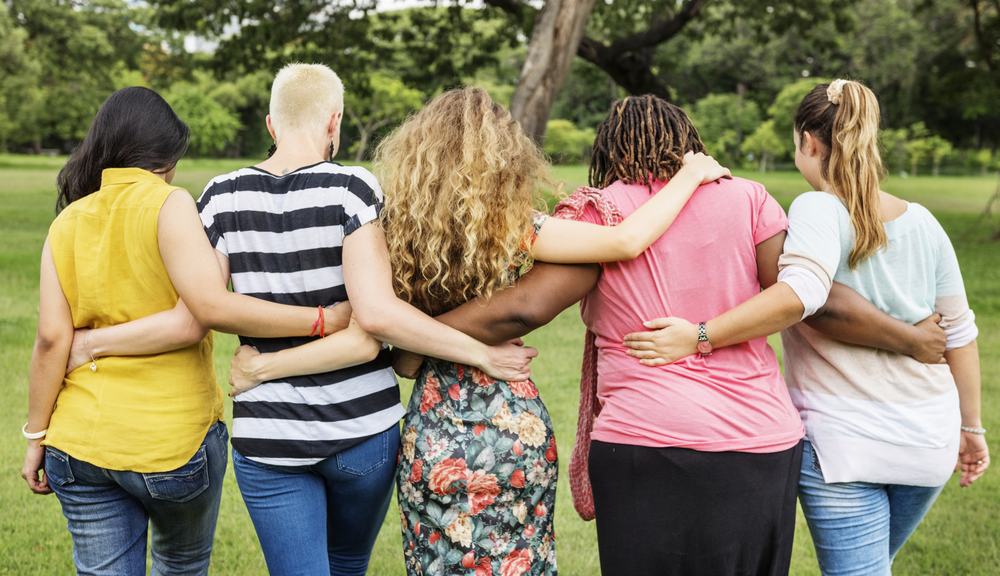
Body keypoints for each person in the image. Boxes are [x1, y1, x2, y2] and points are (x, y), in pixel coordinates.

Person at [225, 86, 732, 576]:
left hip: (434, 429)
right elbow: (624, 241)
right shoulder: (511, 225)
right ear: (504, 154)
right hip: (511, 422)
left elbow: (391, 341)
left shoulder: (393, 230)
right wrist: (689, 175)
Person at [51, 69, 534, 576]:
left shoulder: (219, 196)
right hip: (361, 429)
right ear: (335, 121)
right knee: (347, 563)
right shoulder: (353, 187)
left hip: (268, 437)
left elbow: (207, 304)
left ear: (270, 125)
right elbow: (375, 318)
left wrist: (260, 368)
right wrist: (482, 352)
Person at [624, 81, 989, 575]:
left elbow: (803, 294)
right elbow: (960, 334)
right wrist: (971, 427)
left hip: (844, 446)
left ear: (808, 143)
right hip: (929, 440)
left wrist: (699, 335)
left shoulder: (817, 208)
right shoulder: (924, 222)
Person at [18, 85, 375, 575]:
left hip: (77, 442)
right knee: (180, 565)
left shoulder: (67, 222)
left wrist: (37, 436)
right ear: (164, 154)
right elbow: (201, 312)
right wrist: (320, 319)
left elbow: (51, 341)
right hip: (172, 443)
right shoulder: (169, 204)